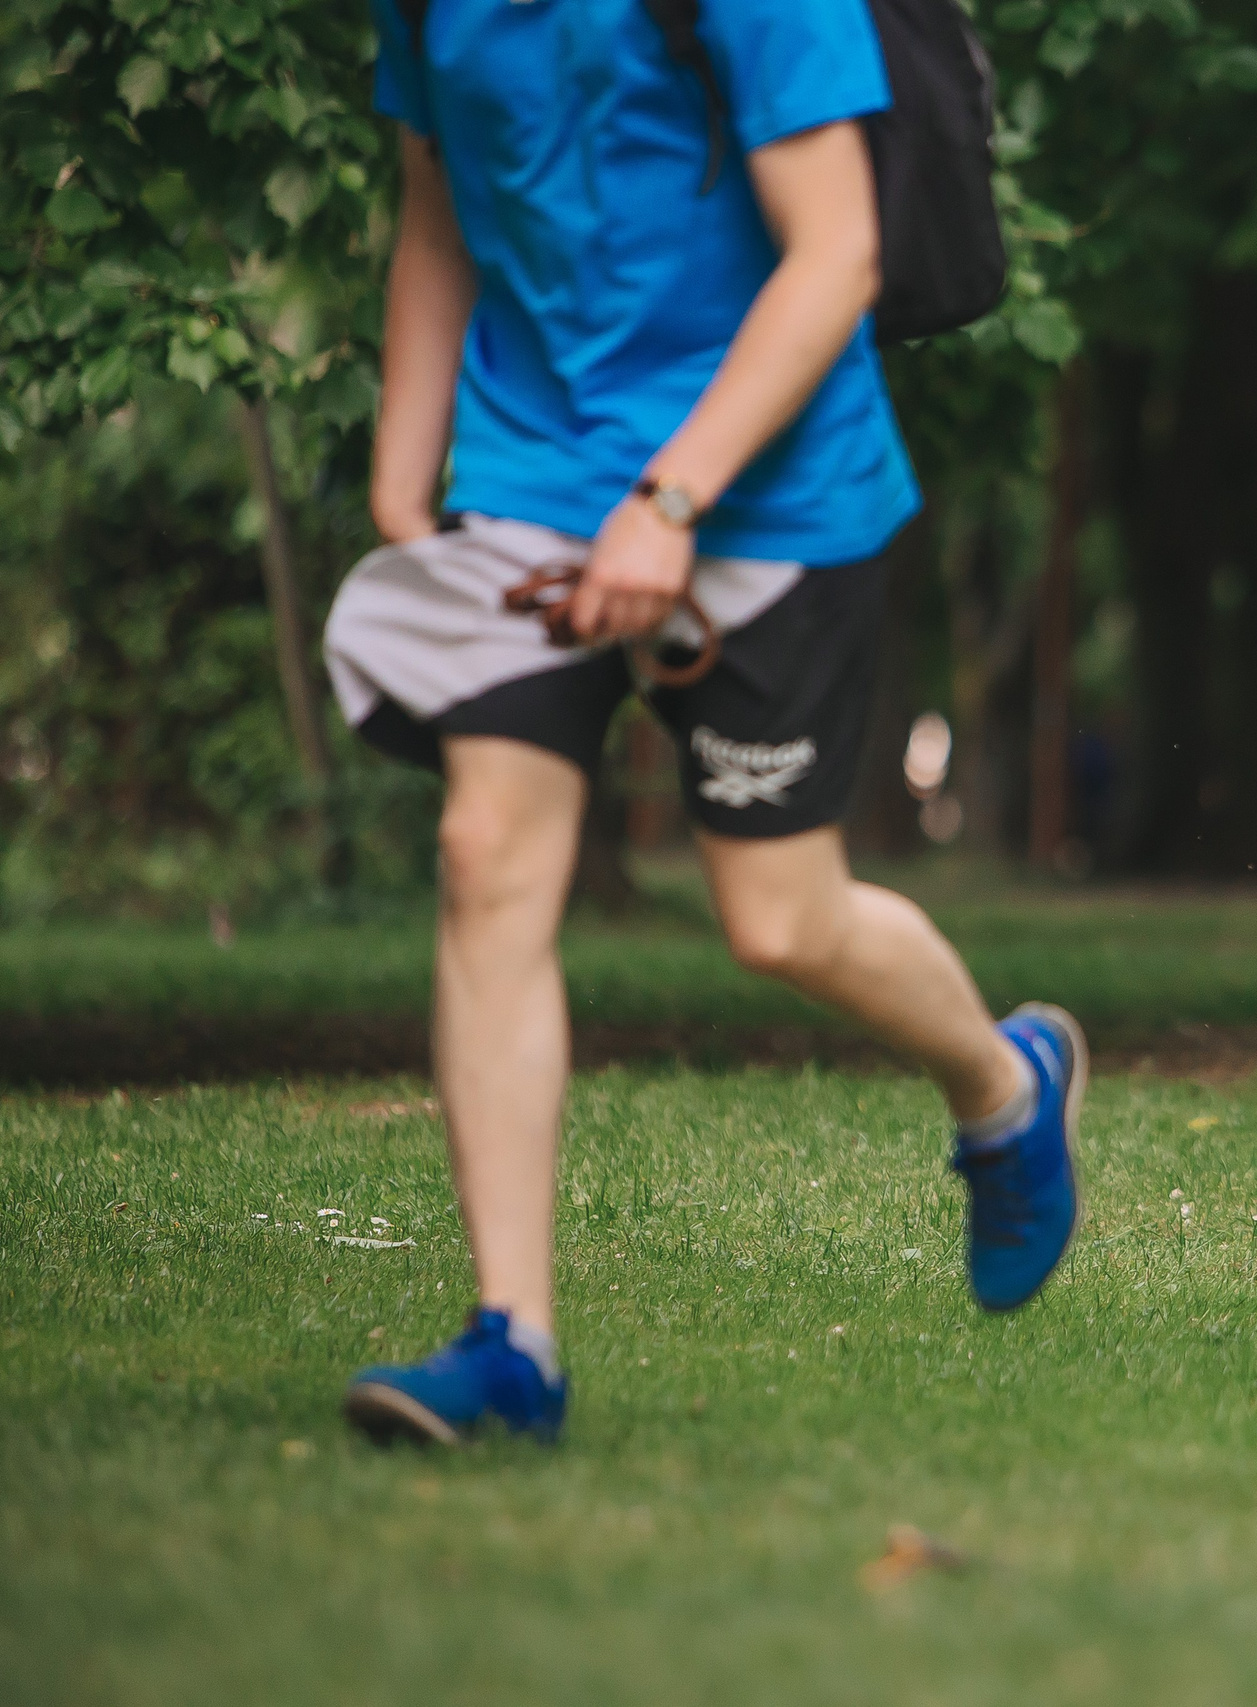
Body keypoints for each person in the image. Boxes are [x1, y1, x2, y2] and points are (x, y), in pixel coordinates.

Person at [323, 0, 1082, 1448]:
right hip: (533, 472)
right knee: (487, 856)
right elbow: (436, 210)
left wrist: (669, 503)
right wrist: (402, 478)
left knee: (779, 923)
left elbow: (838, 251)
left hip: (772, 486)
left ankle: (1004, 1084)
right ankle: (511, 1349)